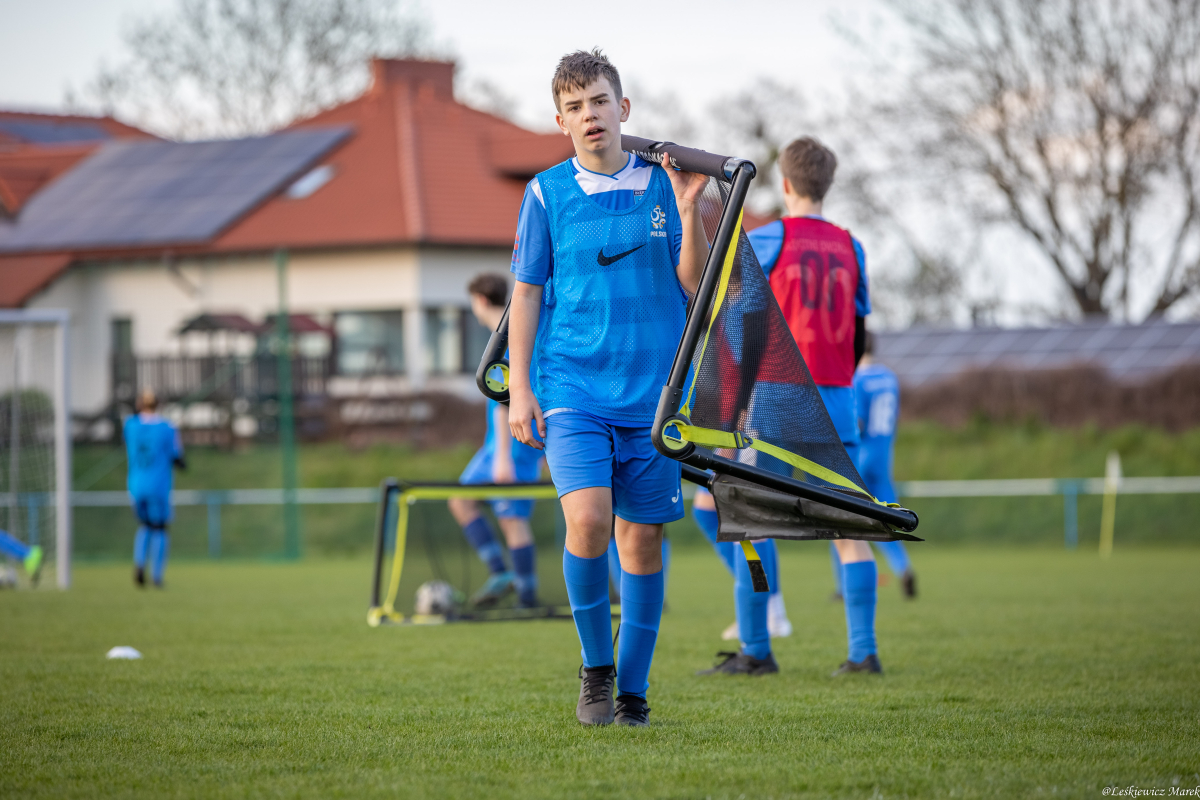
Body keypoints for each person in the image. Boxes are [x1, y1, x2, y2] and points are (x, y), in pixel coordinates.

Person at [507, 49, 709, 727]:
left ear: (622, 108)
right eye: (575, 107)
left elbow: (693, 283)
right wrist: (521, 390)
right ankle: (597, 669)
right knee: (589, 521)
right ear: (560, 122)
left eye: (599, 101)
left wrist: (690, 208)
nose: (589, 114)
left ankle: (633, 692)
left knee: (641, 543)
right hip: (572, 387)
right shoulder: (544, 193)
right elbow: (526, 294)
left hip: (655, 393)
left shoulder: (664, 184)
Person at [746, 136, 883, 675]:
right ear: (827, 184)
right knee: (850, 529)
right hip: (837, 400)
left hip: (776, 399)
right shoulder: (852, 247)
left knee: (753, 526)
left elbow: (742, 325)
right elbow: (859, 331)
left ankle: (757, 649)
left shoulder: (767, 238)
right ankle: (863, 652)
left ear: (784, 183)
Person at [448, 273, 545, 609]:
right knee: (460, 500)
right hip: (493, 447)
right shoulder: (498, 337)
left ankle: (528, 598)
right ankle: (501, 573)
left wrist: (505, 457)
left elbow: (508, 402)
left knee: (512, 520)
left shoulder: (516, 336)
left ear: (479, 301)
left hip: (512, 446)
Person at [124, 388, 185, 588]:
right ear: (159, 404)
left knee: (145, 525)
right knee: (160, 528)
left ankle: (140, 563)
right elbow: (178, 457)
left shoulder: (130, 425)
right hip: (158, 485)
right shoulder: (167, 428)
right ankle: (157, 576)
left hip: (136, 485)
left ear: (139, 404)